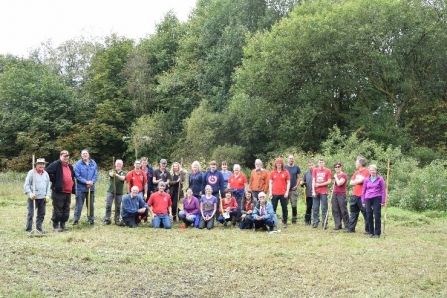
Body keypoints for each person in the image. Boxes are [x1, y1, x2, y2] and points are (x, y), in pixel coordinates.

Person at [45, 150, 76, 232]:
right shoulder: (56, 164)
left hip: (68, 191)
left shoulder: (69, 166)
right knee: (58, 210)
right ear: (60, 156)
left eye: (67, 156)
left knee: (66, 209)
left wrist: (73, 187)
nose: (66, 158)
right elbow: (47, 172)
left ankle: (63, 224)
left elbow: (72, 177)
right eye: (64, 156)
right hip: (59, 191)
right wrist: (55, 180)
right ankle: (55, 225)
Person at [23, 158, 51, 233]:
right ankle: (28, 229)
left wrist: (48, 195)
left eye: (43, 164)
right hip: (33, 198)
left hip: (43, 198)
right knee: (31, 213)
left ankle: (39, 228)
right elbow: (26, 185)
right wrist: (30, 193)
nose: (42, 165)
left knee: (41, 214)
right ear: (36, 165)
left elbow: (48, 185)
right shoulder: (31, 173)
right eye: (40, 164)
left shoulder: (46, 174)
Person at [344, 156, 370, 234]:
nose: (355, 163)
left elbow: (362, 181)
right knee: (353, 212)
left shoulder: (367, 171)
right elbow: (351, 182)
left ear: (361, 163)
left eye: (356, 162)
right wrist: (357, 181)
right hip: (354, 195)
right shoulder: (356, 172)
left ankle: (368, 229)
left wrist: (357, 181)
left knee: (366, 212)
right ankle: (351, 228)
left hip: (362, 196)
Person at [73, 149, 98, 225]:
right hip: (81, 189)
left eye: (86, 153)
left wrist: (92, 182)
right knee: (79, 205)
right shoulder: (78, 164)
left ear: (88, 154)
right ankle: (76, 220)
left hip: (91, 188)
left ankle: (91, 220)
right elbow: (77, 175)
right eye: (83, 154)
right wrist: (86, 182)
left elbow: (96, 174)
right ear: (81, 155)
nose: (85, 155)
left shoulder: (93, 163)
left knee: (91, 205)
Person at [362, 164, 386, 238]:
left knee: (377, 215)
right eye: (371, 170)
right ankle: (371, 232)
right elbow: (363, 190)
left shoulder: (380, 179)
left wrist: (383, 201)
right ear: (369, 171)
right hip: (368, 198)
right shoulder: (366, 179)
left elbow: (383, 190)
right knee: (369, 215)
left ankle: (377, 233)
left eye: (374, 170)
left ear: (376, 170)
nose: (373, 171)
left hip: (377, 198)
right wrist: (363, 201)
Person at [269, 158, 290, 228]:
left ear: (282, 164)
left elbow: (288, 182)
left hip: (283, 193)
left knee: (284, 208)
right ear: (275, 164)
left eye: (280, 163)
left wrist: (287, 192)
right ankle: (273, 222)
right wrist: (270, 192)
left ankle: (284, 222)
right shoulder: (272, 173)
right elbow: (270, 183)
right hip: (274, 193)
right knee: (273, 208)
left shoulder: (286, 172)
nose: (278, 164)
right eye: (277, 163)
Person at [104, 159, 126, 225]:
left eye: (120, 164)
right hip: (110, 191)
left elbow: (123, 178)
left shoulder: (123, 172)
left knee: (118, 206)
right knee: (108, 205)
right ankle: (107, 219)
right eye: (117, 163)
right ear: (115, 164)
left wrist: (116, 175)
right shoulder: (112, 170)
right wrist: (113, 174)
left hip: (119, 192)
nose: (118, 165)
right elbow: (110, 174)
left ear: (122, 165)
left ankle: (117, 220)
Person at [312, 158, 332, 229]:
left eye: (322, 162)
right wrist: (313, 191)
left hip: (324, 191)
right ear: (318, 163)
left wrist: (320, 184)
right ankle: (315, 222)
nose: (321, 163)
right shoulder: (315, 170)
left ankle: (324, 222)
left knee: (324, 208)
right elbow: (313, 181)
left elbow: (329, 181)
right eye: (320, 162)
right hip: (316, 192)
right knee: (315, 207)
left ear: (324, 163)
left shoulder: (328, 171)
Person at [332, 162, 349, 230]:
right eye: (336, 167)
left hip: (341, 194)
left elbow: (339, 183)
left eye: (338, 166)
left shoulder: (343, 175)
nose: (337, 168)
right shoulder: (336, 175)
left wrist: (335, 177)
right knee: (335, 210)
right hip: (335, 194)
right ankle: (338, 225)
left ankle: (347, 225)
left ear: (341, 167)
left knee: (343, 210)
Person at [285, 155, 301, 224]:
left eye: (292, 159)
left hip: (293, 189)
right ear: (288, 159)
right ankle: (284, 219)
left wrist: (297, 185)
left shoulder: (297, 168)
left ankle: (294, 219)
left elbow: (298, 178)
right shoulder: (284, 167)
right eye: (290, 158)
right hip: (285, 190)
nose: (291, 160)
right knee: (284, 205)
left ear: (293, 160)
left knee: (294, 205)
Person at [300, 161, 314, 225]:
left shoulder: (317, 172)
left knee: (315, 207)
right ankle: (307, 220)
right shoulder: (306, 174)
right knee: (308, 207)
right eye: (309, 165)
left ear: (314, 165)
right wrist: (302, 183)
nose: (311, 166)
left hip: (316, 193)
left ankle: (315, 220)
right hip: (308, 193)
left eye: (312, 165)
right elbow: (303, 182)